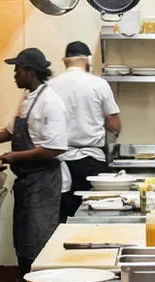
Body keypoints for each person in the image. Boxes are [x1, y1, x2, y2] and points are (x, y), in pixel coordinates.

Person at [0, 48, 68, 281]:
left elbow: (55, 148)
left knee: (38, 236)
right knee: (23, 235)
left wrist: (14, 157)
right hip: (27, 180)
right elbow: (6, 133)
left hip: (43, 181)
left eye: (17, 69)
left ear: (30, 71)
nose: (14, 75)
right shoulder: (28, 99)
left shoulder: (50, 102)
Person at [51, 40, 121, 221]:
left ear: (65, 61)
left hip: (59, 162)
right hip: (91, 161)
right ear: (88, 61)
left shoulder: (50, 86)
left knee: (63, 218)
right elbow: (114, 124)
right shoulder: (98, 84)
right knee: (93, 215)